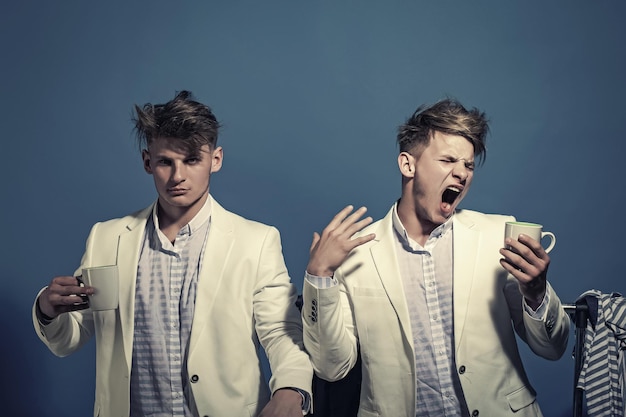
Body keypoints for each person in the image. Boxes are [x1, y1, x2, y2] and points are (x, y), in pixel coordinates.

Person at [32, 90, 312, 417]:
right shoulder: (106, 238)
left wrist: (291, 389)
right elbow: (69, 339)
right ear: (147, 162)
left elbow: (280, 332)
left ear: (216, 159)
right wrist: (47, 309)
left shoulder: (257, 241)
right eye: (166, 161)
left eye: (192, 160)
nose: (177, 176)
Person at [301, 98, 570, 416]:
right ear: (407, 165)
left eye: (468, 165)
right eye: (448, 160)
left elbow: (552, 348)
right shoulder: (356, 253)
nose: (462, 173)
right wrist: (319, 275)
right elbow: (332, 367)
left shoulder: (497, 236)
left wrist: (537, 294)